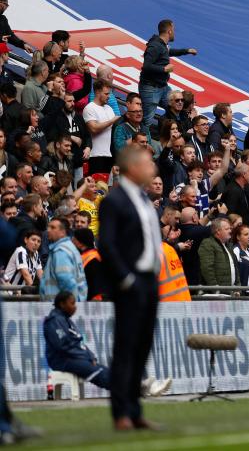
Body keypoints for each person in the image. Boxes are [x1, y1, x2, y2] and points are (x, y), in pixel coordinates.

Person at [97, 146, 165, 431]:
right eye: (148, 163)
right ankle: (120, 412)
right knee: (125, 347)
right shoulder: (114, 200)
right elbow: (107, 244)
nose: (153, 168)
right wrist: (125, 278)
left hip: (150, 279)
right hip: (131, 280)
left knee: (143, 345)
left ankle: (135, 409)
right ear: (133, 167)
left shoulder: (144, 199)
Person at [43, 291, 172, 398]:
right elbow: (63, 346)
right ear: (62, 304)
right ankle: (134, 389)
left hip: (72, 358)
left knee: (104, 369)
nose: (75, 307)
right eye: (72, 303)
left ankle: (138, 387)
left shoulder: (65, 320)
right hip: (61, 360)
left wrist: (90, 355)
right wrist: (84, 357)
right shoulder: (54, 321)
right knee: (97, 372)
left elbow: (78, 342)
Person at [139, 19, 198, 125]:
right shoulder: (155, 46)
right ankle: (141, 140)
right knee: (147, 120)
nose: (174, 32)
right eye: (174, 29)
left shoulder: (162, 45)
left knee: (175, 109)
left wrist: (186, 51)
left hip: (163, 87)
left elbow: (168, 52)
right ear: (169, 31)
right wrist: (164, 69)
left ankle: (174, 133)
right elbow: (146, 66)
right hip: (151, 89)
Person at [40, 217, 87, 301]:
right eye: (48, 227)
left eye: (53, 227)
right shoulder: (69, 247)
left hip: (60, 306)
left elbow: (67, 281)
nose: (48, 230)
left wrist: (70, 304)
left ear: (62, 232)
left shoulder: (61, 251)